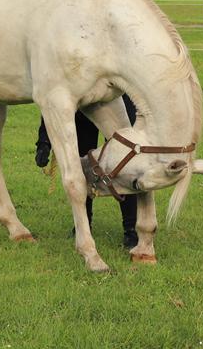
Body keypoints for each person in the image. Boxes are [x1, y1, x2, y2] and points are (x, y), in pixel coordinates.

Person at [35, 96, 138, 248]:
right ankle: (83, 226)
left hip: (115, 98)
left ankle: (131, 230)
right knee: (82, 167)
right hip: (83, 104)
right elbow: (53, 87)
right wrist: (44, 140)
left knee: (124, 166)